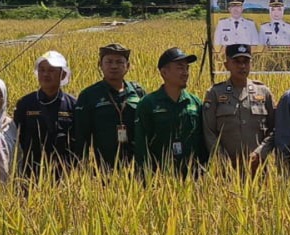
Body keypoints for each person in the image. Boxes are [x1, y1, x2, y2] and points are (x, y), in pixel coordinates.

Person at [132, 48, 208, 176]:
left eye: (186, 68)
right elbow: (141, 145)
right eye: (180, 68)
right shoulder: (149, 103)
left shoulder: (195, 102)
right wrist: (146, 179)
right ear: (164, 73)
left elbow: (202, 142)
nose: (185, 73)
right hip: (160, 177)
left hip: (192, 177)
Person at [202, 43, 276, 175]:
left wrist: (260, 153)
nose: (242, 66)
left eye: (246, 62)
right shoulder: (215, 93)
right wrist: (222, 159)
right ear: (226, 65)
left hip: (258, 168)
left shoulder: (264, 92)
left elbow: (274, 129)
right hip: (225, 169)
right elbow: (209, 131)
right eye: (237, 62)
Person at [72, 43, 147, 171]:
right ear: (100, 65)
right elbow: (80, 136)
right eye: (109, 61)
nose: (114, 66)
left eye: (119, 62)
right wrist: (83, 167)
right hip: (101, 167)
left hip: (136, 167)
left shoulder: (138, 92)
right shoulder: (89, 95)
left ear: (127, 66)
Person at [13, 51, 77, 178]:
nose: (46, 74)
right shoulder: (25, 103)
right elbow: (16, 140)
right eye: (41, 70)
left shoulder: (72, 104)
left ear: (63, 74)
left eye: (51, 70)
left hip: (65, 175)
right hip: (30, 173)